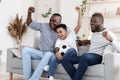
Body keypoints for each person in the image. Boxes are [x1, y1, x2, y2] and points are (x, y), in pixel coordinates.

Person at [61, 13, 118, 80]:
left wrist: (111, 40)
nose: (91, 23)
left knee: (86, 56)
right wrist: (87, 42)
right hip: (88, 56)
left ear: (102, 22)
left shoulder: (109, 33)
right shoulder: (94, 33)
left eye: (95, 21)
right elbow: (97, 42)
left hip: (98, 57)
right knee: (65, 60)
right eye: (91, 21)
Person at [22, 6, 62, 80]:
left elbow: (72, 36)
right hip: (40, 53)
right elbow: (29, 23)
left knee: (48, 54)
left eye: (54, 21)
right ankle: (27, 78)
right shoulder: (44, 26)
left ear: (59, 22)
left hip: (51, 55)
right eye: (50, 20)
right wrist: (29, 13)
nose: (51, 23)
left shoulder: (63, 30)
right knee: (25, 50)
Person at [46, 6, 82, 80]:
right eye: (57, 33)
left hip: (72, 54)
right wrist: (56, 53)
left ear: (66, 31)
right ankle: (51, 77)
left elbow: (79, 25)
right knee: (53, 56)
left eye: (60, 32)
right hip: (63, 57)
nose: (59, 34)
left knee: (70, 49)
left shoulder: (71, 35)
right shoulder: (58, 40)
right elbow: (56, 48)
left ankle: (52, 65)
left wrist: (79, 12)